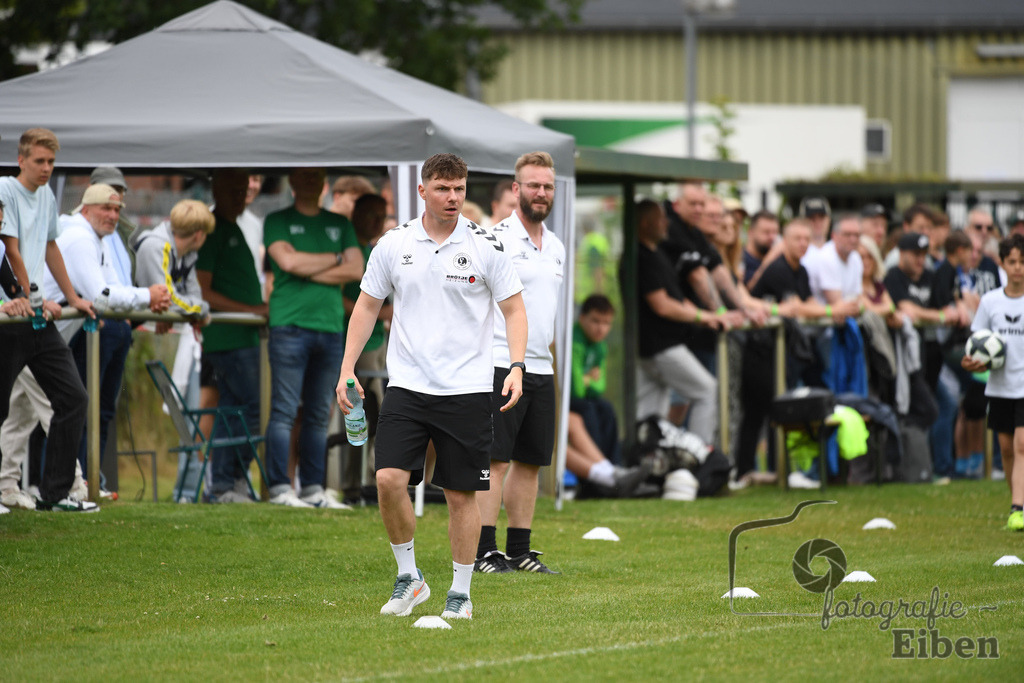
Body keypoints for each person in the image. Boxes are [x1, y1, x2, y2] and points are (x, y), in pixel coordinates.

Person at [337, 153, 527, 621]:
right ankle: (410, 578)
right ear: (422, 191)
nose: (453, 197)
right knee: (387, 480)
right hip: (408, 386)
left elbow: (515, 310)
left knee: (462, 495)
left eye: (460, 189)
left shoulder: (486, 246)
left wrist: (517, 366)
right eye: (443, 188)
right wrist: (347, 369)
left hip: (466, 390)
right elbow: (365, 307)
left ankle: (460, 593)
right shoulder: (394, 243)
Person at [475, 151, 564, 575]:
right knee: (496, 459)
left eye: (547, 186)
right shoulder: (495, 240)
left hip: (542, 367)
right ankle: (483, 551)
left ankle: (520, 551)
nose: (541, 193)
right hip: (499, 363)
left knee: (530, 462)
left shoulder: (558, 246)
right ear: (516, 189)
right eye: (533, 185)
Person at [0, 128, 96, 512]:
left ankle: (56, 495)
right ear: (21, 160)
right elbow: (11, 251)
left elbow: (50, 246)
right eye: (39, 161)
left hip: (35, 318)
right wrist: (28, 296)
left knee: (73, 397)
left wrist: (73, 298)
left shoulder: (47, 194)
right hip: (10, 318)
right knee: (4, 410)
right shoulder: (6, 189)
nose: (46, 168)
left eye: (51, 162)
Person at [263, 168, 363, 508]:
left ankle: (312, 490)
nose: (309, 183)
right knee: (285, 410)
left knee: (321, 412)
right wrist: (335, 258)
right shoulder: (276, 220)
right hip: (289, 325)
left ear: (323, 185)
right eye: (303, 177)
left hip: (331, 328)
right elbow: (287, 262)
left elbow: (356, 269)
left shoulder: (341, 224)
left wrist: (308, 267)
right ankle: (279, 488)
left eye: (315, 178)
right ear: (291, 182)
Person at [736, 219, 859, 489]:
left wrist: (822, 308)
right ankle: (745, 471)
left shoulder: (800, 271)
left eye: (806, 239)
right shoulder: (778, 270)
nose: (803, 244)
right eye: (796, 239)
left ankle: (776, 471)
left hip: (779, 352)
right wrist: (831, 311)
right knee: (757, 411)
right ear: (785, 241)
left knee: (774, 409)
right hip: (759, 350)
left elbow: (806, 303)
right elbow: (797, 308)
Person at [627, 199, 737, 443]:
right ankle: (697, 459)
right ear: (646, 224)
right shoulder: (640, 256)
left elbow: (678, 298)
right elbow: (662, 305)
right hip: (659, 346)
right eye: (660, 219)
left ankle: (651, 466)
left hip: (665, 344)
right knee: (706, 390)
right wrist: (703, 316)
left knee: (652, 413)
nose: (666, 223)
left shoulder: (658, 254)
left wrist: (712, 316)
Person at [195, 170, 270, 503]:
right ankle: (225, 484)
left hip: (245, 337)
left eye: (244, 190)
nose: (241, 196)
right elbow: (203, 290)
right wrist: (251, 310)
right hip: (228, 339)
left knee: (242, 409)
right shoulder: (211, 230)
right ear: (217, 190)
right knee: (241, 410)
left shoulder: (235, 226)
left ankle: (234, 481)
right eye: (234, 190)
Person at [962, 234, 1024, 531]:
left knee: (1022, 444)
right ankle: (1018, 500)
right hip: (1000, 387)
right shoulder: (990, 302)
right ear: (1002, 262)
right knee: (1007, 448)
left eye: (1023, 262)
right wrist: (973, 361)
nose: (1018, 268)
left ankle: (1018, 508)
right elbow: (977, 345)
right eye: (1012, 262)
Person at [337, 193, 392, 502]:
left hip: (381, 345)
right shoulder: (350, 252)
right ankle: (351, 487)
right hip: (355, 348)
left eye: (381, 215)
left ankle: (372, 483)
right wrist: (385, 313)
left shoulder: (376, 250)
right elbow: (347, 302)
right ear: (356, 214)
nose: (377, 221)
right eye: (371, 214)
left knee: (378, 417)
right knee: (358, 416)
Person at [565, 295, 645, 496]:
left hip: (582, 400)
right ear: (581, 317)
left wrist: (587, 379)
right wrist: (588, 379)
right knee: (587, 411)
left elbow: (598, 387)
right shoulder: (573, 340)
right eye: (595, 321)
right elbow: (576, 388)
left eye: (606, 323)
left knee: (606, 409)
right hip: (564, 400)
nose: (601, 328)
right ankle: (599, 482)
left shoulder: (600, 346)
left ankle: (615, 469)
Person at [742, 210, 780, 288]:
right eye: (766, 232)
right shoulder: (740, 258)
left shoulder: (778, 260)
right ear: (751, 232)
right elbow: (749, 288)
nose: (772, 237)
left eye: (775, 232)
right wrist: (769, 259)